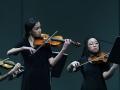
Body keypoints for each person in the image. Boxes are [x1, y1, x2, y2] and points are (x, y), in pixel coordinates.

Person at [7, 17, 71, 90]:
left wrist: (63, 49)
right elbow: (8, 52)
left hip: (43, 78)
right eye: (36, 29)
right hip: (29, 78)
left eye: (40, 27)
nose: (40, 31)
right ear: (30, 31)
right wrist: (23, 48)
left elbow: (52, 62)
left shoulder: (45, 44)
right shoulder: (24, 43)